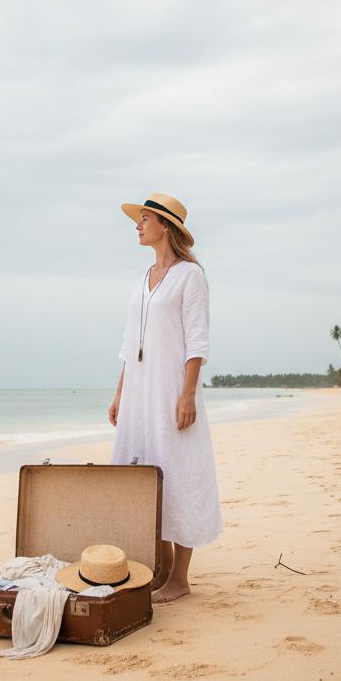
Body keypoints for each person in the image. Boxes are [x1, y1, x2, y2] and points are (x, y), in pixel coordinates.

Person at [108, 193, 222, 604]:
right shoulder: (142, 278)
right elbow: (130, 344)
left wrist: (187, 394)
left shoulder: (190, 276)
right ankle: (160, 569)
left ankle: (180, 578)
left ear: (165, 226)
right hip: (139, 394)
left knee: (179, 473)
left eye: (145, 219)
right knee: (144, 473)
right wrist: (120, 393)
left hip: (171, 390)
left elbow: (197, 341)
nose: (138, 226)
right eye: (138, 220)